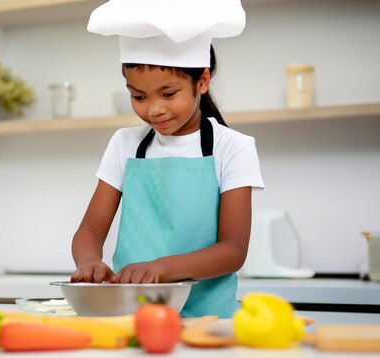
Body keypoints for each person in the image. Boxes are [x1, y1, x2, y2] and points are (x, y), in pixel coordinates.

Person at [70, 0, 264, 318]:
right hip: (133, 316)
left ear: (202, 81)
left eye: (169, 94)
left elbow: (233, 251)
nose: (153, 109)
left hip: (207, 319)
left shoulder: (233, 148)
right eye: (139, 96)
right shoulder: (124, 144)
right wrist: (89, 261)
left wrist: (161, 268)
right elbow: (89, 231)